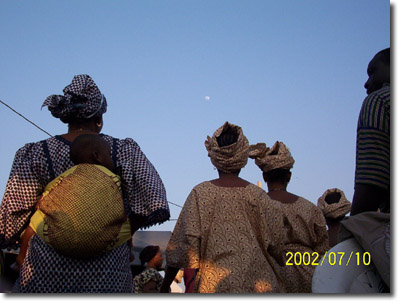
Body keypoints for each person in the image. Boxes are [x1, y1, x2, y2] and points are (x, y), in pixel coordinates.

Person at [0, 74, 170, 293]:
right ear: (99, 118)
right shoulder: (122, 150)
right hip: (108, 269)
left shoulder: (36, 152)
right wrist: (120, 232)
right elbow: (153, 199)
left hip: (45, 267)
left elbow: (13, 213)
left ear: (67, 116)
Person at [160, 122, 285, 293]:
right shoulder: (259, 196)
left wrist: (164, 286)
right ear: (242, 158)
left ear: (214, 158)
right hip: (260, 287)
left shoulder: (200, 193)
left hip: (213, 287)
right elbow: (278, 247)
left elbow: (182, 248)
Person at [15, 134, 132, 268]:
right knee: (128, 224)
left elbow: (50, 193)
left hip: (57, 240)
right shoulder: (112, 177)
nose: (111, 159)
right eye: (109, 155)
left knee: (36, 222)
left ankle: (21, 256)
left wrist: (40, 205)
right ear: (97, 156)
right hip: (103, 242)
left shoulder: (69, 174)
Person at [249, 141, 329, 293]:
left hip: (268, 276)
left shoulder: (255, 206)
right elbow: (323, 250)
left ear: (265, 176)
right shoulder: (310, 208)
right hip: (309, 277)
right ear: (289, 176)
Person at [351, 48, 390, 215]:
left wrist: (353, 226)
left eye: (373, 72)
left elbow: (371, 181)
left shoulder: (379, 100)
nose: (367, 83)